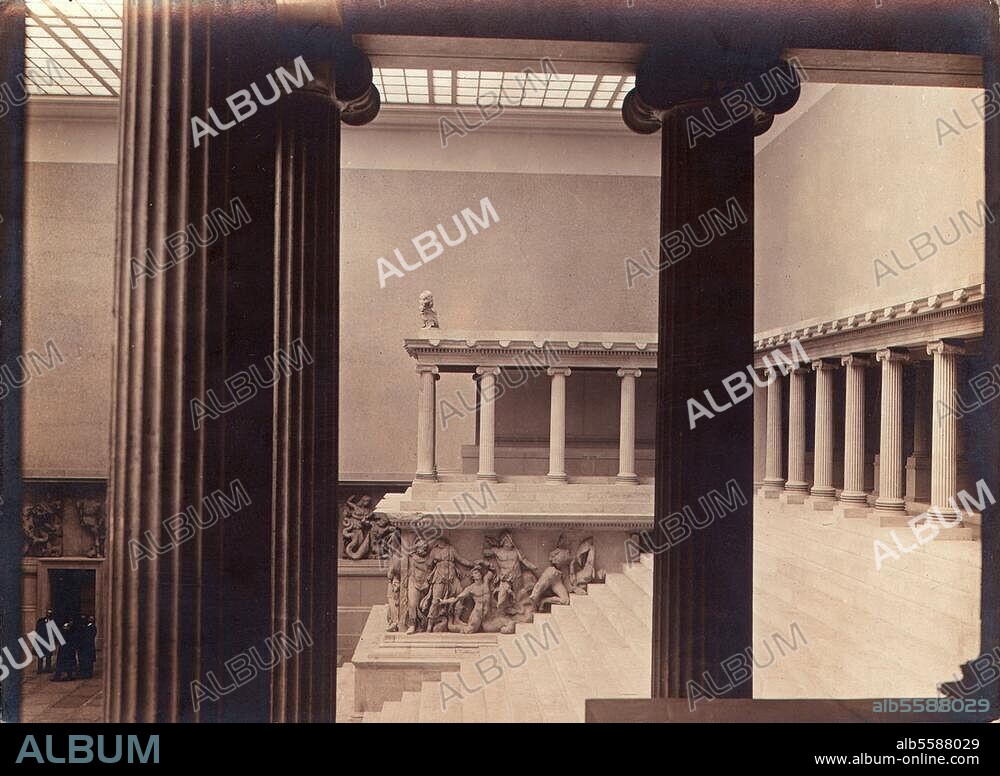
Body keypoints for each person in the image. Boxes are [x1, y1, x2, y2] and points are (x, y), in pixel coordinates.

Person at [34, 609, 55, 673]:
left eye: (50, 614)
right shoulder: (40, 621)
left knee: (48, 656)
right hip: (41, 640)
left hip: (49, 640)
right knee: (40, 656)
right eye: (48, 613)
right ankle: (40, 669)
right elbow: (37, 630)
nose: (49, 615)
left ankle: (48, 668)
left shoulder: (53, 622)